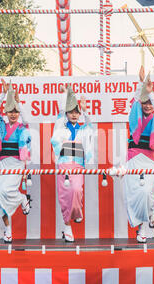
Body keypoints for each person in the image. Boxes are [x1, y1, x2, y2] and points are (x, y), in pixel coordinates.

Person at [123, 65, 154, 243]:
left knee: (147, 192)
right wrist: (141, 84)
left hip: (148, 160)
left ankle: (151, 213)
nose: (148, 105)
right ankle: (141, 229)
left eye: (150, 103)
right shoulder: (135, 114)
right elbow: (134, 102)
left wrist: (150, 92)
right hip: (133, 157)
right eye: (144, 102)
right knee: (136, 193)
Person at [51, 85, 94, 242]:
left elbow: (91, 128)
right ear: (67, 113)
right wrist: (65, 95)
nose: (74, 115)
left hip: (77, 166)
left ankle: (76, 211)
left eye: (77, 112)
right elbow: (59, 119)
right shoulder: (61, 127)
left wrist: (86, 110)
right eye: (71, 112)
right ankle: (67, 227)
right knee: (64, 196)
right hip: (64, 166)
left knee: (76, 191)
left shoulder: (83, 129)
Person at [0, 79, 32, 244]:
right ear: (6, 113)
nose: (14, 114)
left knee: (5, 192)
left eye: (16, 111)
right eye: (10, 111)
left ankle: (22, 199)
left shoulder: (22, 128)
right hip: (2, 163)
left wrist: (18, 101)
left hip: (16, 164)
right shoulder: (1, 126)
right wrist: (3, 94)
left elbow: (27, 119)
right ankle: (8, 230)